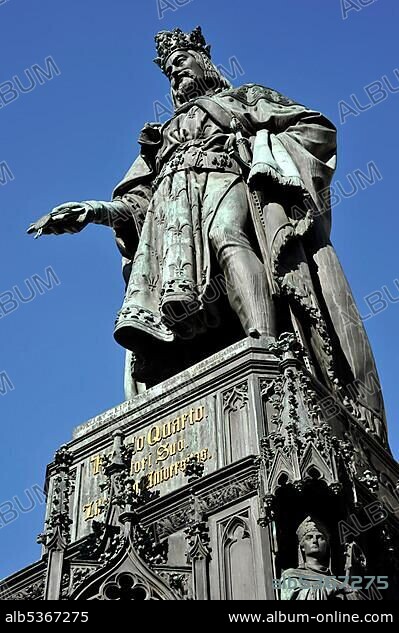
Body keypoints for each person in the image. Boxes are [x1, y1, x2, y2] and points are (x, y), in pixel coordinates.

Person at [27, 27, 387, 446]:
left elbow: (315, 128)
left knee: (227, 236)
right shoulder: (162, 135)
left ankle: (266, 348)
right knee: (180, 273)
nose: (175, 71)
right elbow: (138, 203)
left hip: (224, 172)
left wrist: (264, 153)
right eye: (169, 69)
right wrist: (94, 212)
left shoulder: (244, 99)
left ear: (206, 60)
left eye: (183, 60)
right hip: (171, 208)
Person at [280, 516, 361, 600]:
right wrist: (332, 588)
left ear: (326, 546)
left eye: (320, 538)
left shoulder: (338, 583)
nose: (314, 540)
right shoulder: (291, 575)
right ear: (302, 547)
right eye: (309, 537)